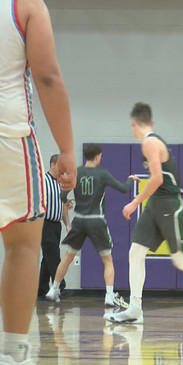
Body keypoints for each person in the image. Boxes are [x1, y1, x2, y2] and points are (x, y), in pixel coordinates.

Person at [0, 0, 77, 363]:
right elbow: (47, 77)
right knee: (22, 244)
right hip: (7, 133)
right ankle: (14, 353)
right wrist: (65, 148)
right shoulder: (27, 5)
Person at [105, 102, 183, 324]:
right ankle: (135, 307)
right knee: (135, 252)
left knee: (180, 259)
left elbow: (158, 179)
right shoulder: (153, 142)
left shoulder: (149, 142)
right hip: (157, 202)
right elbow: (161, 176)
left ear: (132, 124)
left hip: (169, 204)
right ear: (150, 121)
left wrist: (133, 202)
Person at [44, 143, 137, 307]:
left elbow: (62, 194)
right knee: (107, 260)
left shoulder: (75, 172)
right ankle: (109, 295)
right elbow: (122, 188)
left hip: (79, 220)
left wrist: (68, 201)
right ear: (97, 156)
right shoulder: (102, 173)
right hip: (95, 220)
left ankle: (53, 289)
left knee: (67, 257)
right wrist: (130, 180)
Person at [38, 154, 71, 299]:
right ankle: (60, 285)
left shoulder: (60, 183)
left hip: (56, 225)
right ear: (52, 164)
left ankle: (41, 290)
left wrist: (67, 224)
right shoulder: (43, 181)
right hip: (45, 224)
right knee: (53, 255)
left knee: (47, 258)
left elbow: (63, 205)